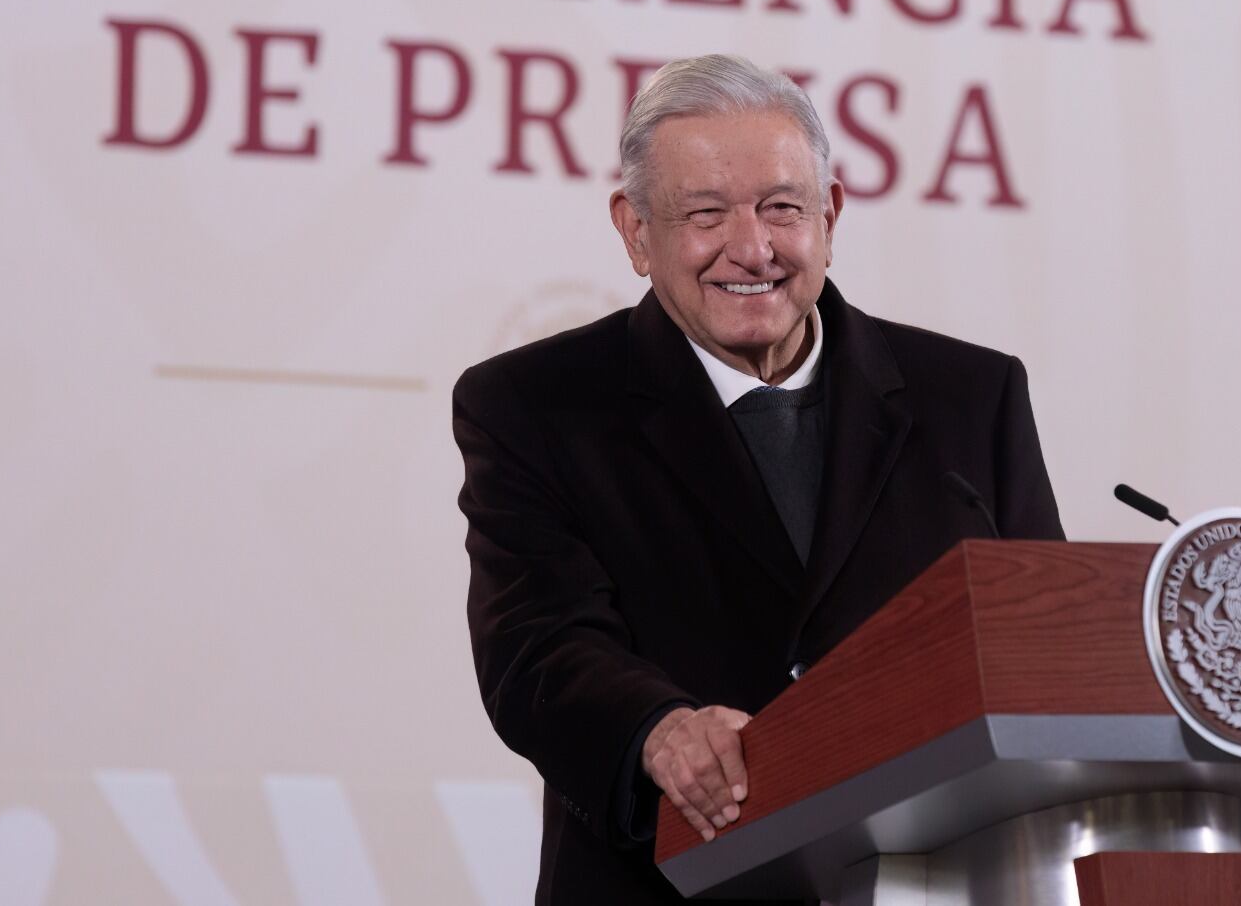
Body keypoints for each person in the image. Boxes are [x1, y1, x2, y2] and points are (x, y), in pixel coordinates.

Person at [453, 54, 1064, 905]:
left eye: (782, 208)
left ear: (830, 214)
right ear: (635, 232)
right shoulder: (535, 405)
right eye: (706, 214)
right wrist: (658, 730)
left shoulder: (971, 396)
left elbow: (1039, 644)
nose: (752, 248)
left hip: (937, 878)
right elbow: (538, 648)